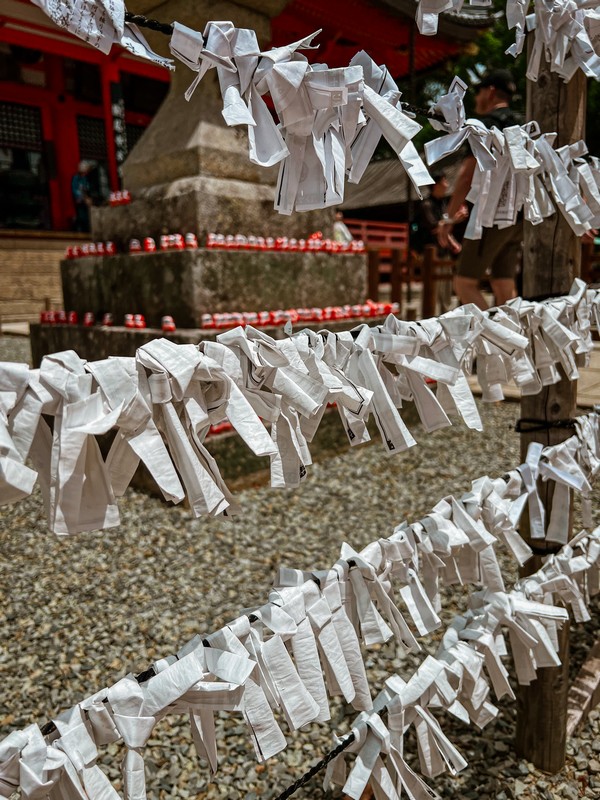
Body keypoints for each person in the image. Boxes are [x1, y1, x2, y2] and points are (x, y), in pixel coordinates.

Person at [438, 69, 523, 310]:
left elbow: (467, 176)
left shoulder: (485, 126)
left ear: (490, 91)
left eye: (479, 91)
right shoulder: (521, 127)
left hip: (491, 216)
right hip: (519, 215)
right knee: (503, 282)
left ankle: (495, 334)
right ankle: (513, 333)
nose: (476, 98)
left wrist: (448, 218)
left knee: (464, 283)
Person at [412, 171, 467, 312]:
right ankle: (431, 315)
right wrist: (454, 219)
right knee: (434, 288)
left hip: (444, 250)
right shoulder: (426, 205)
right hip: (431, 252)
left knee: (446, 287)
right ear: (436, 185)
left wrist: (453, 243)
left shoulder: (443, 204)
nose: (447, 184)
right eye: (444, 181)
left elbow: (444, 227)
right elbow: (434, 226)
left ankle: (445, 314)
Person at [71, 160, 92, 232]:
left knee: (86, 217)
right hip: (79, 201)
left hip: (85, 201)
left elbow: (86, 189)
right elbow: (74, 190)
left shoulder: (85, 179)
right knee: (81, 217)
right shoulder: (76, 178)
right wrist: (82, 198)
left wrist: (88, 198)